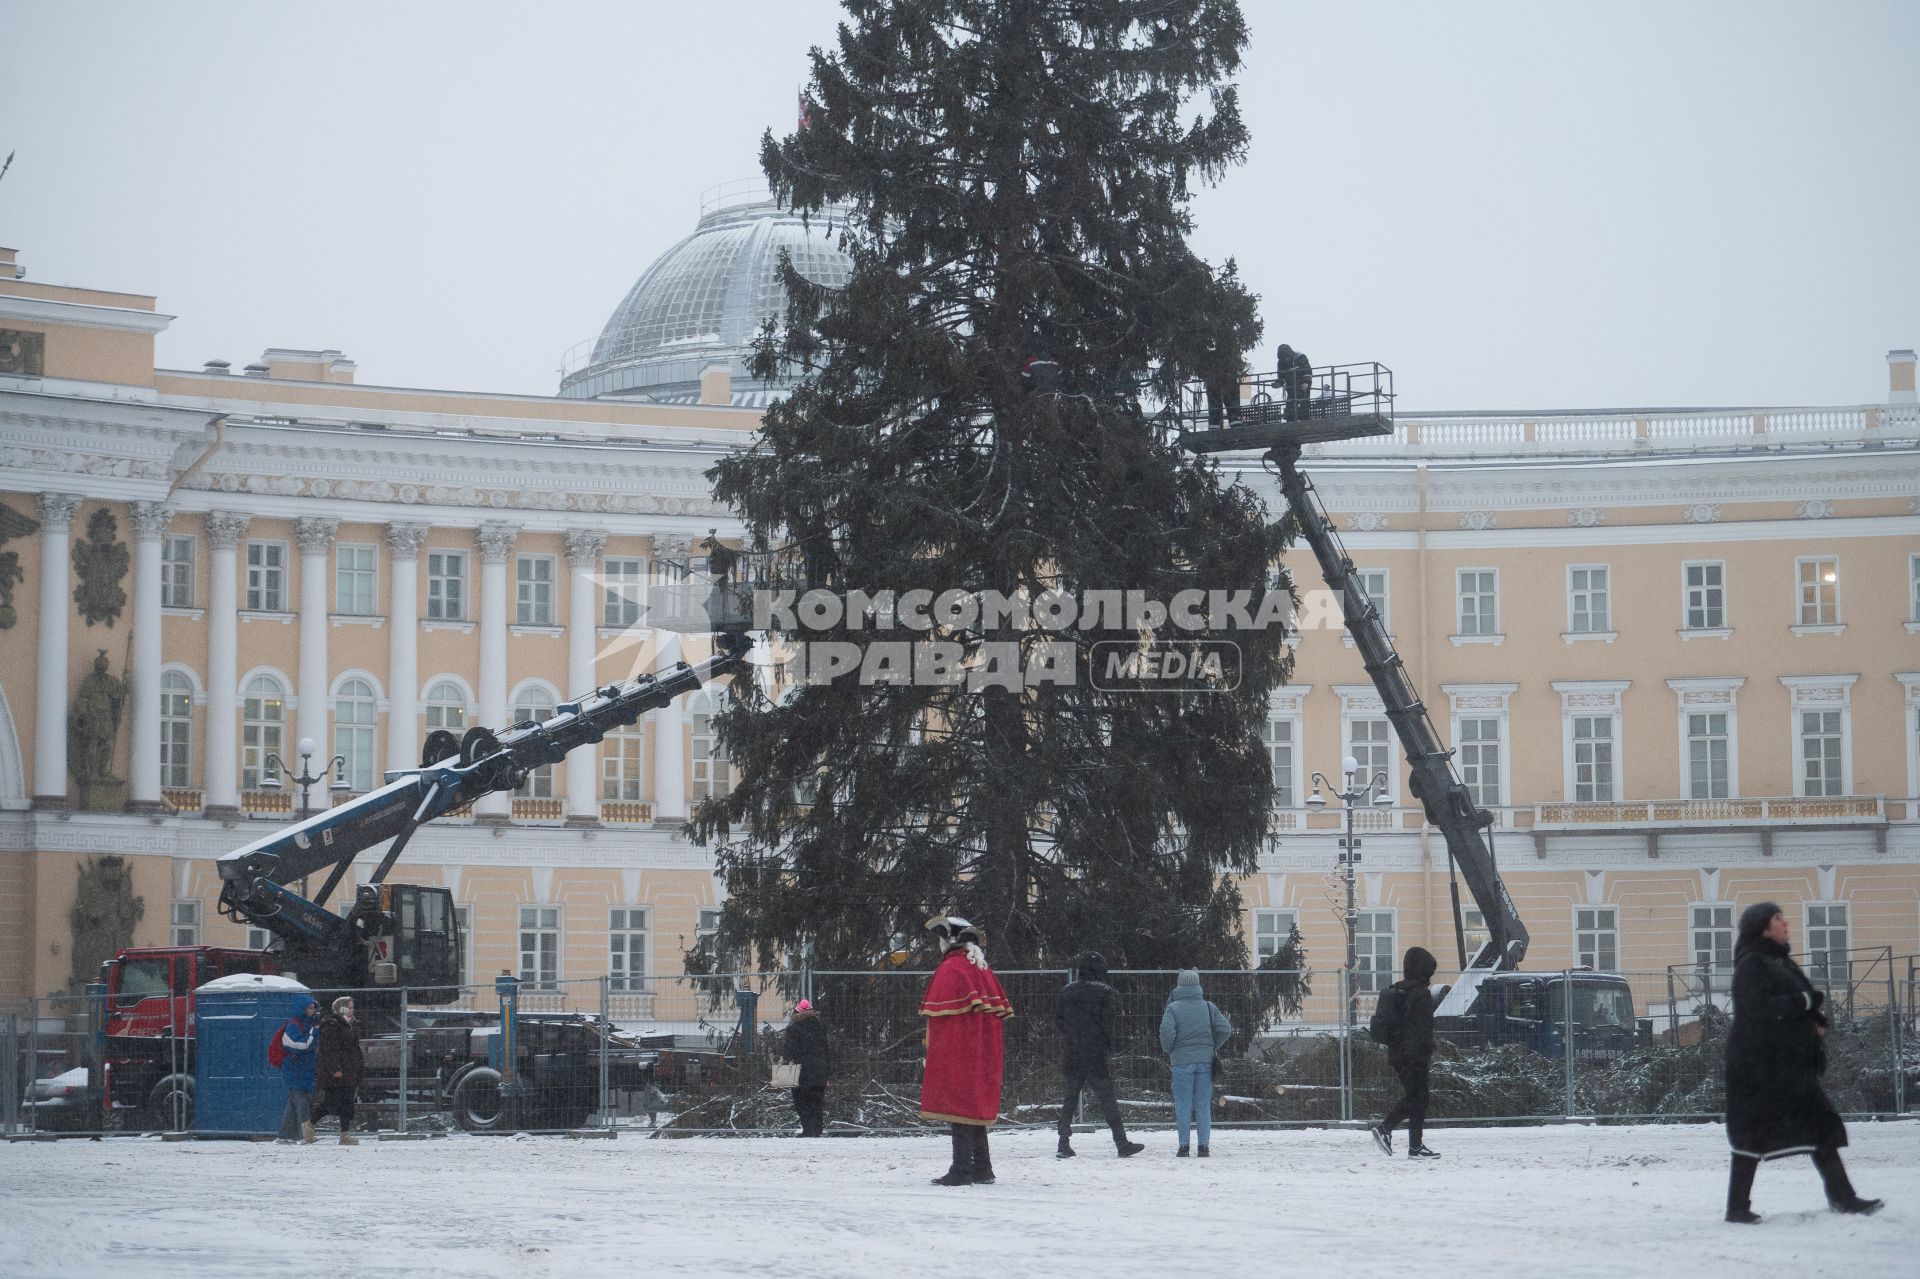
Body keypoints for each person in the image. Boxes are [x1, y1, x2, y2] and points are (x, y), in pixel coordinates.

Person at [1723, 901, 1883, 1222]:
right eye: (1778, 919)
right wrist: (1807, 1001)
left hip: (1788, 1067)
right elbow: (1761, 1009)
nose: (1786, 924)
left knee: (1819, 1125)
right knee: (1750, 1134)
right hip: (1759, 1069)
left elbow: (1796, 1003)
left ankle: (1843, 1197)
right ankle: (1737, 1208)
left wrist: (1815, 1019)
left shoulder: (1778, 961)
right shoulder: (1752, 964)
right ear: (1764, 928)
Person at [919, 915, 1014, 1185]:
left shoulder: (953, 969)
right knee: (972, 1109)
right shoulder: (981, 969)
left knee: (959, 1108)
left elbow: (942, 1019)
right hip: (982, 1052)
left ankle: (961, 1169)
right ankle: (982, 1167)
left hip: (958, 1050)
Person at [1054, 951, 1145, 1160]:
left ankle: (1062, 1143)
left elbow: (1058, 1020)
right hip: (1095, 1054)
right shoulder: (1105, 992)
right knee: (1107, 1100)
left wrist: (1071, 1037)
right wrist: (1107, 1045)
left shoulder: (1067, 991)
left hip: (1073, 1052)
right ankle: (1121, 1144)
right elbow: (1108, 1023)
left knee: (1069, 1099)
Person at [1370, 946, 1441, 1159]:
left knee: (1418, 1098)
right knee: (1417, 1097)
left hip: (1397, 1053)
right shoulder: (1420, 993)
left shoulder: (1400, 988)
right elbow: (1422, 1027)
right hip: (1414, 1055)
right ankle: (1386, 1128)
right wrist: (1428, 1048)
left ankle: (1415, 1146)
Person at [1158, 969, 1231, 1157]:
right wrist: (1211, 1046)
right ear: (1198, 985)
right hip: (1205, 1061)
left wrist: (1172, 1049)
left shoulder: (1173, 1008)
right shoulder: (1208, 1007)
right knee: (1203, 1104)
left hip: (1181, 1062)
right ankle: (1203, 1147)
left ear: (1179, 985)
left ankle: (1183, 1147)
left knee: (1182, 1104)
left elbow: (1166, 1036)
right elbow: (1225, 1029)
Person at [312, 995, 365, 1145]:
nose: (352, 1010)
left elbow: (352, 1048)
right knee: (331, 1102)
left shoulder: (352, 1024)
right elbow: (330, 1050)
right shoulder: (332, 1025)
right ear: (341, 1008)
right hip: (337, 1071)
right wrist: (335, 1068)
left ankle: (344, 1134)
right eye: (349, 1007)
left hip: (349, 1069)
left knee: (348, 1102)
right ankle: (310, 1124)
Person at [275, 997, 321, 1145]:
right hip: (296, 1070)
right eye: (310, 1008)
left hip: (302, 1069)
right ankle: (304, 1135)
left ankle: (284, 1135)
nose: (313, 1011)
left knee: (295, 1103)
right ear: (302, 1009)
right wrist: (314, 1034)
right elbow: (301, 1046)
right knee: (302, 1101)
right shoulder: (293, 1026)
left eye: (314, 1008)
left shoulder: (305, 1024)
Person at [782, 998, 830, 1138]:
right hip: (818, 1071)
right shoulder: (819, 1027)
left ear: (797, 1011)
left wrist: (786, 1061)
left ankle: (807, 1130)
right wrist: (828, 1072)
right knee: (817, 1101)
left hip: (800, 1072)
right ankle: (817, 1130)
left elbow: (789, 1052)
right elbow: (826, 1050)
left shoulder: (793, 1029)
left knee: (801, 1101)